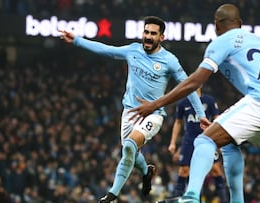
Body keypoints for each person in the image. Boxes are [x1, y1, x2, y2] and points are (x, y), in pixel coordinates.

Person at [129, 4, 260, 203]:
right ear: (240, 24)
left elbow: (194, 82)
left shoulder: (221, 42)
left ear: (216, 26)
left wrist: (155, 104)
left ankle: (190, 197)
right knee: (228, 144)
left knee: (203, 140)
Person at [59, 16, 207, 203]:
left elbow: (189, 87)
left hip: (152, 114)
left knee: (129, 146)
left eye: (153, 33)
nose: (148, 36)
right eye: (146, 32)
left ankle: (112, 195)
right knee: (131, 153)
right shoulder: (133, 50)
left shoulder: (169, 60)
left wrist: (200, 115)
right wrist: (77, 40)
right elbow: (107, 50)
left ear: (161, 37)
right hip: (129, 113)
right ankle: (146, 172)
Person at [168, 87, 228, 202]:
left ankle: (224, 200)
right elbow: (178, 122)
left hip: (207, 139)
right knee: (184, 170)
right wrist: (172, 143)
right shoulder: (183, 103)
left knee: (216, 169)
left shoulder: (209, 100)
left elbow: (217, 119)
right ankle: (178, 198)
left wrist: (220, 139)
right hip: (189, 140)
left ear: (200, 85)